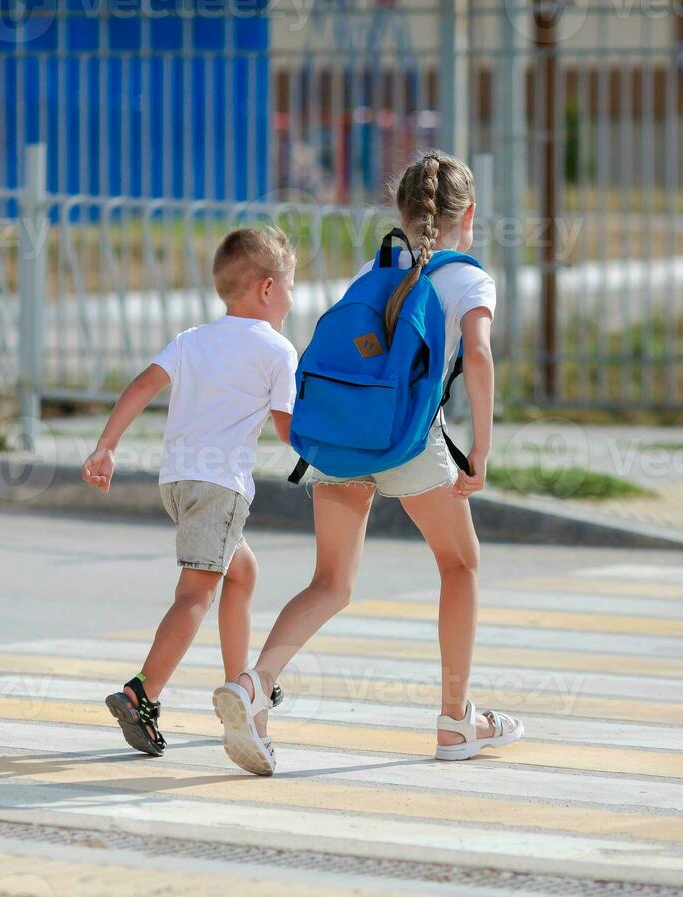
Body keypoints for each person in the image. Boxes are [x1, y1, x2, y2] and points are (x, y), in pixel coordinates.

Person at [212, 151, 523, 776]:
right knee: (460, 563)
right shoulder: (468, 277)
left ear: (400, 212)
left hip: (345, 441)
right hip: (410, 442)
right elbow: (481, 358)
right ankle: (455, 719)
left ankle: (253, 686)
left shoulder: (372, 268)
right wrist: (481, 453)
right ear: (469, 217)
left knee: (330, 583)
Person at [82, 226, 298, 756]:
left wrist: (106, 446)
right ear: (269, 289)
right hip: (220, 488)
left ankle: (237, 687)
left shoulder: (193, 339)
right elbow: (290, 431)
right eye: (292, 286)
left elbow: (142, 384)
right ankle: (143, 693)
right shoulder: (276, 350)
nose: (293, 299)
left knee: (241, 572)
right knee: (196, 594)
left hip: (178, 482)